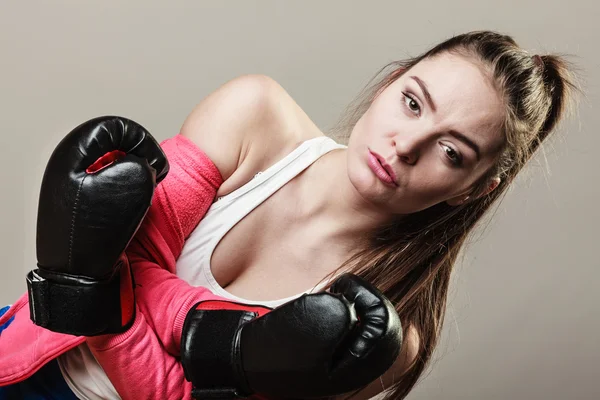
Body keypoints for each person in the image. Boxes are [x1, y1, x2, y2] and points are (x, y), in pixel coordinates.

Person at [0, 30, 577, 400]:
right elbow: (117, 246)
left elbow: (92, 258)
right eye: (412, 101)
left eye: (452, 152)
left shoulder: (383, 330)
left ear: (473, 190)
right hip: (17, 352)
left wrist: (90, 289)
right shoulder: (254, 116)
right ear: (390, 82)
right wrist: (223, 344)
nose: (406, 145)